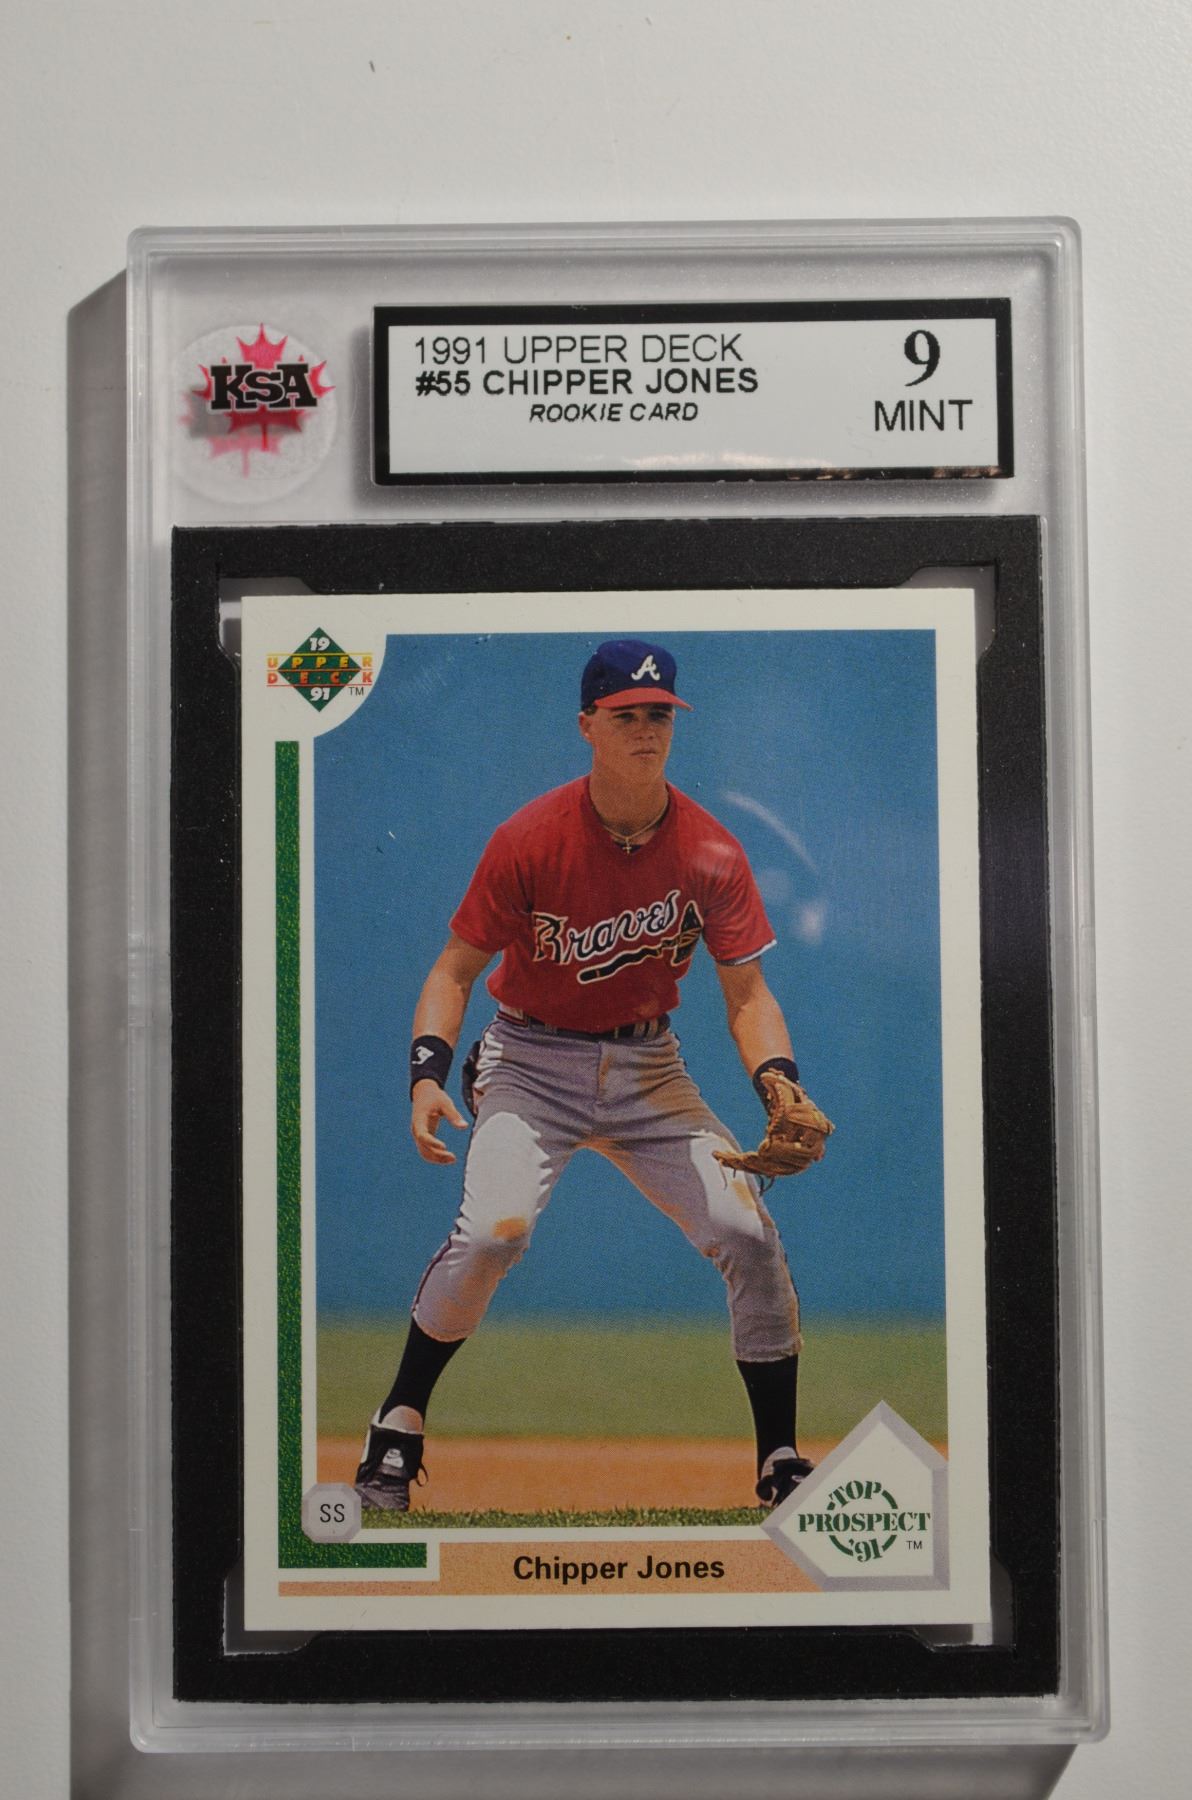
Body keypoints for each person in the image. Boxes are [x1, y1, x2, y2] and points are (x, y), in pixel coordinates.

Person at [355, 637, 831, 1515]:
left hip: (650, 1069)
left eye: (659, 715)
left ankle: (780, 1460)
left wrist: (778, 1079)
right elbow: (453, 973)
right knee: (493, 1234)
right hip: (530, 1062)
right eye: (626, 715)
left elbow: (748, 995)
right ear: (588, 726)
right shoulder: (531, 838)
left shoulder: (711, 851)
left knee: (747, 1233)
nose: (646, 729)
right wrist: (427, 1075)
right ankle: (397, 1423)